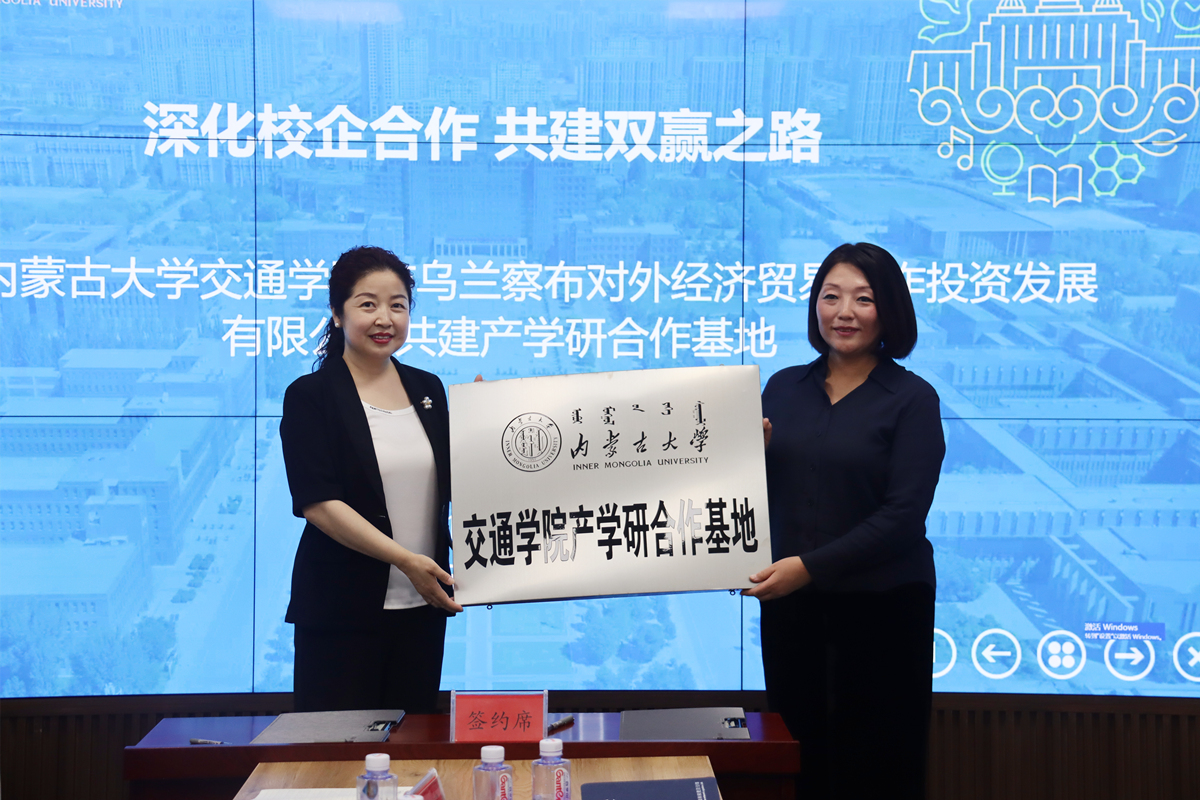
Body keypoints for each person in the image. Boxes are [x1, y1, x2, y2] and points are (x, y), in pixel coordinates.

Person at [745, 242, 945, 800]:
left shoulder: (913, 399)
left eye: (863, 298)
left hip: (883, 610)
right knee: (799, 757)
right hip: (793, 610)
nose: (844, 312)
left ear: (889, 310)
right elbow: (756, 495)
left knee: (876, 764)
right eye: (831, 296)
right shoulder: (782, 388)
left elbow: (903, 517)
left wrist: (808, 567)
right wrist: (749, 459)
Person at [279, 245, 462, 713]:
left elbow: (453, 480)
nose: (385, 318)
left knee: (413, 741)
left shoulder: (428, 388)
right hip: (340, 612)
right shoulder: (310, 396)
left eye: (398, 305)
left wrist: (490, 420)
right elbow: (320, 504)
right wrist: (406, 560)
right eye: (368, 304)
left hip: (422, 610)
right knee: (337, 747)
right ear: (337, 313)